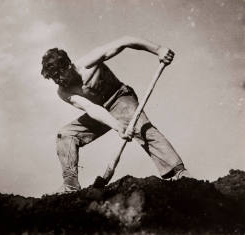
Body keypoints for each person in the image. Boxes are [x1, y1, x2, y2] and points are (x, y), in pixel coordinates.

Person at [41, 36, 191, 193]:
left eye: (60, 75)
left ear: (69, 66)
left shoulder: (89, 62)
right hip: (100, 112)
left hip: (120, 98)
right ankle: (70, 184)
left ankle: (178, 171)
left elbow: (125, 41)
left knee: (141, 127)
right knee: (65, 134)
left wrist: (158, 49)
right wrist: (117, 126)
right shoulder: (63, 92)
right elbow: (91, 108)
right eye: (54, 79)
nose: (59, 81)